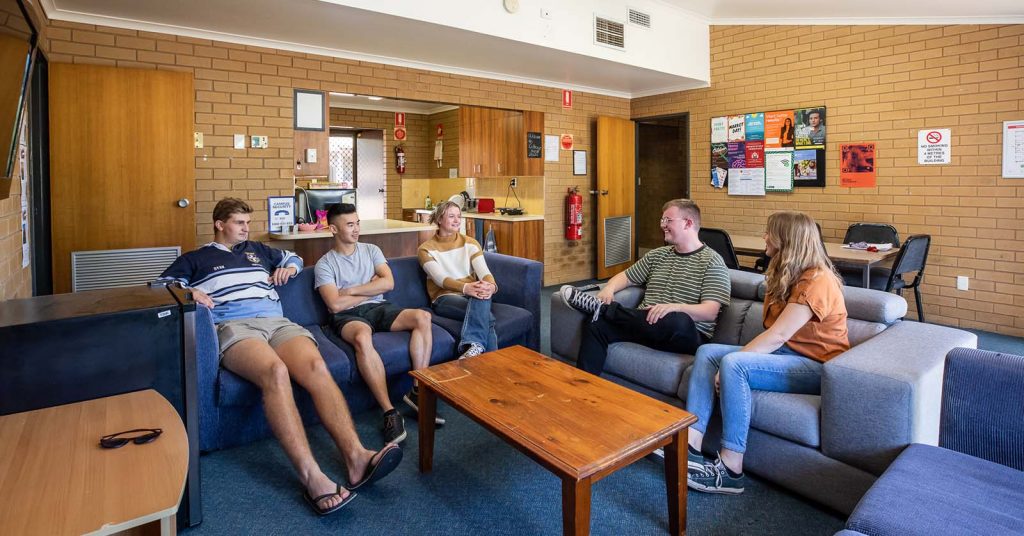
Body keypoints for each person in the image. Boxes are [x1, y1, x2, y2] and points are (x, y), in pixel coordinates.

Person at [159, 198, 402, 516]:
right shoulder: (196, 259)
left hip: (278, 322)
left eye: (248, 223)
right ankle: (312, 477)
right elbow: (162, 284)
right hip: (235, 325)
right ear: (219, 224)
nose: (246, 229)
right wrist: (191, 292)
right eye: (239, 223)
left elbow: (293, 257)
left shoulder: (258, 250)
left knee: (317, 366)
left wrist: (289, 266)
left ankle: (356, 457)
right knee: (275, 371)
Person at [685, 211, 850, 494]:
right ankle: (690, 447)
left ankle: (731, 468)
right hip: (786, 354)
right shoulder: (785, 273)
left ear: (786, 239)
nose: (764, 236)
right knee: (708, 353)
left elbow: (778, 335)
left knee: (733, 364)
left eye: (769, 232)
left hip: (816, 365)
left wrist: (730, 365)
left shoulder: (818, 280)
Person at [560, 199, 732, 376]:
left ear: (688, 223)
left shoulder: (713, 262)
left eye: (668, 221)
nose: (663, 225)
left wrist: (673, 308)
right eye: (662, 221)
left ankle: (604, 310)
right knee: (596, 322)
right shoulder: (657, 255)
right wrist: (608, 289)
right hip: (645, 325)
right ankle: (584, 386)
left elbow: (710, 311)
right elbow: (625, 277)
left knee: (677, 320)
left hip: (682, 334)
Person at [315, 203, 437, 445]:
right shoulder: (325, 264)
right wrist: (371, 287)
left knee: (423, 317)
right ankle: (389, 412)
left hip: (379, 307)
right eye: (350, 224)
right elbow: (335, 305)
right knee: (361, 336)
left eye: (358, 223)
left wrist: (350, 289)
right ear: (333, 229)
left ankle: (416, 390)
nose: (356, 229)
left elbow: (389, 284)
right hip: (347, 316)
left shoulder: (372, 250)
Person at [417, 200, 498, 364]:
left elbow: (484, 273)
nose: (457, 220)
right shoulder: (425, 249)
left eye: (459, 216)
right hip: (444, 297)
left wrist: (491, 286)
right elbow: (441, 280)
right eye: (451, 216)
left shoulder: (470, 243)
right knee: (487, 318)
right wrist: (466, 287)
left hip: (471, 293)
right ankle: (493, 364)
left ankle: (474, 347)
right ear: (439, 219)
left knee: (482, 293)